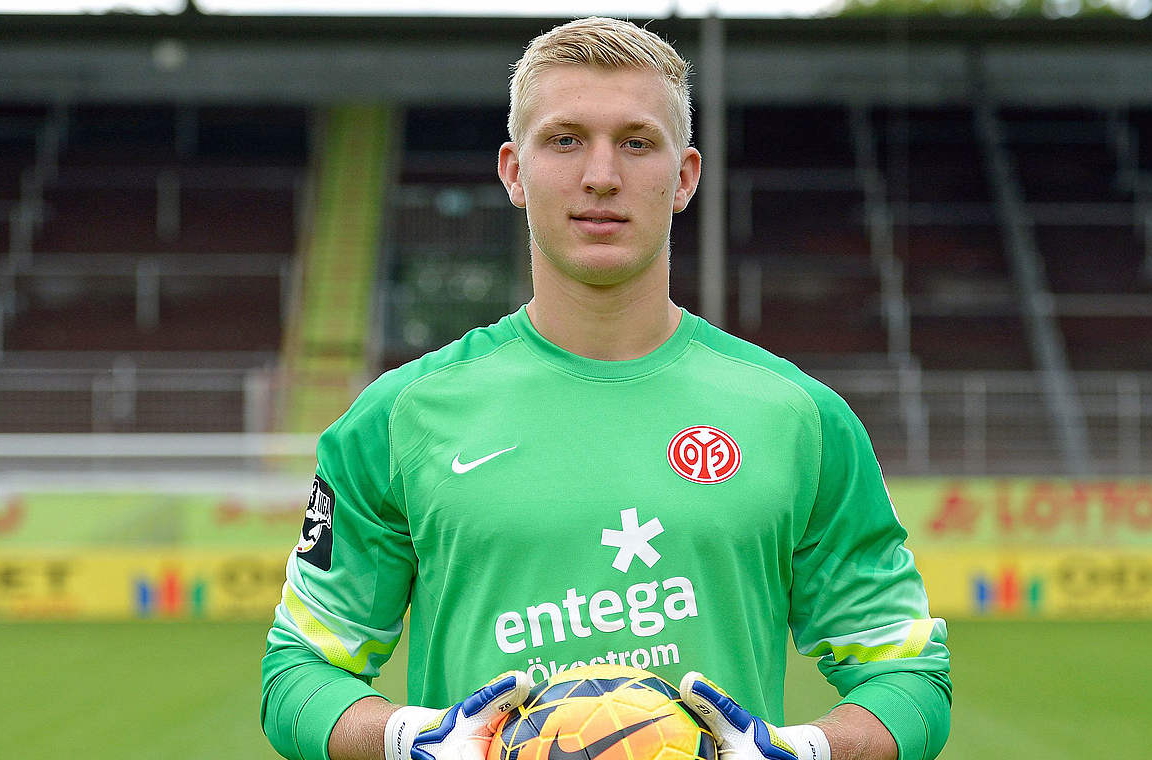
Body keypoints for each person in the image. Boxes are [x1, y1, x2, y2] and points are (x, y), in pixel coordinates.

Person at [261, 16, 951, 760]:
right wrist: (412, 739)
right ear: (513, 171)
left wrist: (803, 752)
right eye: (564, 140)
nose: (600, 175)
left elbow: (909, 674)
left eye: (635, 141)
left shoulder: (800, 418)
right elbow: (298, 668)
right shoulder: (398, 418)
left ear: (683, 177)